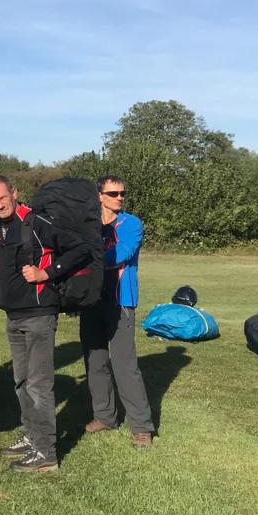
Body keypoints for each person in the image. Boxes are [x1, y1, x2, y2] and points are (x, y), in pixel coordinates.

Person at [0, 175, 90, 473]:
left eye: (3, 198)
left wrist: (47, 274)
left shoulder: (36, 222)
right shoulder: (1, 228)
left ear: (14, 192)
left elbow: (80, 249)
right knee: (21, 382)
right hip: (13, 315)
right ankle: (32, 437)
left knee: (39, 385)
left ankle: (46, 453)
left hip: (39, 314)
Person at [79, 175, 155, 448]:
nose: (119, 198)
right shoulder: (88, 223)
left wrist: (85, 259)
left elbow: (119, 255)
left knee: (125, 365)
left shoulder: (131, 223)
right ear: (99, 195)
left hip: (120, 301)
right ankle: (104, 416)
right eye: (113, 193)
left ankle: (141, 426)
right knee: (95, 361)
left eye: (122, 193)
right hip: (91, 301)